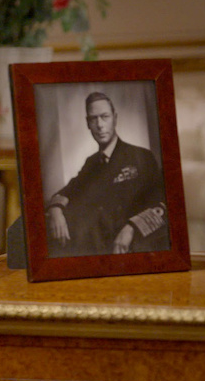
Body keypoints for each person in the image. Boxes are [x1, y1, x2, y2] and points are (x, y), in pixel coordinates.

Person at [46, 92, 169, 257]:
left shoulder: (141, 156)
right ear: (87, 123)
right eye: (93, 119)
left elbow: (161, 203)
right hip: (97, 250)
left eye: (105, 117)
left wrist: (131, 228)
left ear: (115, 118)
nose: (100, 125)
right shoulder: (91, 163)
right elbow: (68, 190)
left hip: (135, 248)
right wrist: (55, 210)